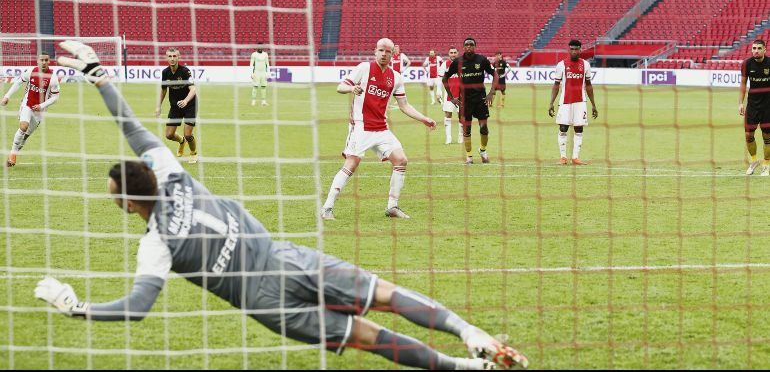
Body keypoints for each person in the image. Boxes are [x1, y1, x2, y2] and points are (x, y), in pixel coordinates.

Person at [33, 40, 528, 372]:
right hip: (287, 256)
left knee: (368, 336)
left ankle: (465, 368)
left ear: (125, 205)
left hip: (266, 300)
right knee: (384, 293)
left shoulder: (156, 246)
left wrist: (80, 309)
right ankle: (468, 333)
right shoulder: (172, 173)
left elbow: (138, 308)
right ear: (149, 176)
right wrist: (99, 77)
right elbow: (135, 131)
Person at [322, 38, 436, 221]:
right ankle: (327, 208)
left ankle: (392, 207)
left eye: (388, 51)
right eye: (381, 50)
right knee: (352, 163)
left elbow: (404, 105)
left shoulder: (396, 78)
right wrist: (352, 89)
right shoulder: (364, 68)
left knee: (401, 160)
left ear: (393, 54)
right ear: (375, 51)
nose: (384, 54)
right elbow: (340, 86)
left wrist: (424, 119)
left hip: (382, 129)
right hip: (361, 126)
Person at [442, 37, 497, 164]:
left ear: (475, 46)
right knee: (467, 129)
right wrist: (452, 97)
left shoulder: (482, 60)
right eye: (466, 45)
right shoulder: (457, 62)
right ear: (463, 47)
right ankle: (469, 156)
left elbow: (495, 74)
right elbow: (445, 78)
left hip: (481, 100)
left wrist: (491, 92)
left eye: (471, 45)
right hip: (465, 102)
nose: (469, 47)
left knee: (484, 128)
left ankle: (483, 150)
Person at [1, 53, 60, 167]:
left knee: (26, 136)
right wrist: (7, 96)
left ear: (49, 62)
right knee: (23, 127)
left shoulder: (53, 78)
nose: (43, 62)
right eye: (41, 60)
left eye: (46, 60)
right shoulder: (31, 72)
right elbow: (18, 82)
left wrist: (42, 106)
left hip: (40, 111)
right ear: (37, 61)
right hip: (27, 104)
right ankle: (12, 155)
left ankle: (14, 154)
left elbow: (55, 98)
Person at [547, 40, 598, 165]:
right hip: (565, 101)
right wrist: (551, 103)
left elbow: (589, 85)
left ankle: (575, 157)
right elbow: (556, 85)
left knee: (579, 128)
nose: (574, 51)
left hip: (580, 102)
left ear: (580, 50)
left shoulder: (585, 65)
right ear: (568, 50)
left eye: (576, 49)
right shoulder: (561, 65)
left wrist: (593, 105)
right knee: (563, 127)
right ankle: (563, 157)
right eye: (572, 49)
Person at [154, 48, 198, 164]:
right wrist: (158, 106)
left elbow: (193, 89)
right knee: (169, 135)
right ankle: (181, 141)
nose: (172, 59)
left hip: (190, 104)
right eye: (170, 56)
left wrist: (186, 101)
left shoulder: (185, 71)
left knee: (188, 134)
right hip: (175, 106)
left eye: (174, 56)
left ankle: (193, 153)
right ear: (166, 58)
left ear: (179, 57)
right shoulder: (165, 73)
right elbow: (163, 90)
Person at [739, 39, 770, 175]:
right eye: (754, 48)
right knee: (748, 135)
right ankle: (753, 161)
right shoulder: (747, 64)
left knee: (767, 136)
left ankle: (766, 164)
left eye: (758, 48)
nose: (755, 51)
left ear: (764, 50)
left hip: (768, 106)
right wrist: (741, 103)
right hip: (752, 106)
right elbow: (743, 84)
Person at [437, 46, 463, 145]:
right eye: (451, 52)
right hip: (449, 95)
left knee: (461, 116)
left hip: (461, 95)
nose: (453, 54)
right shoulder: (445, 64)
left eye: (454, 52)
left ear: (457, 53)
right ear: (448, 54)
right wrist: (438, 92)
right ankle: (449, 138)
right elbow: (440, 79)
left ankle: (460, 137)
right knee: (448, 114)